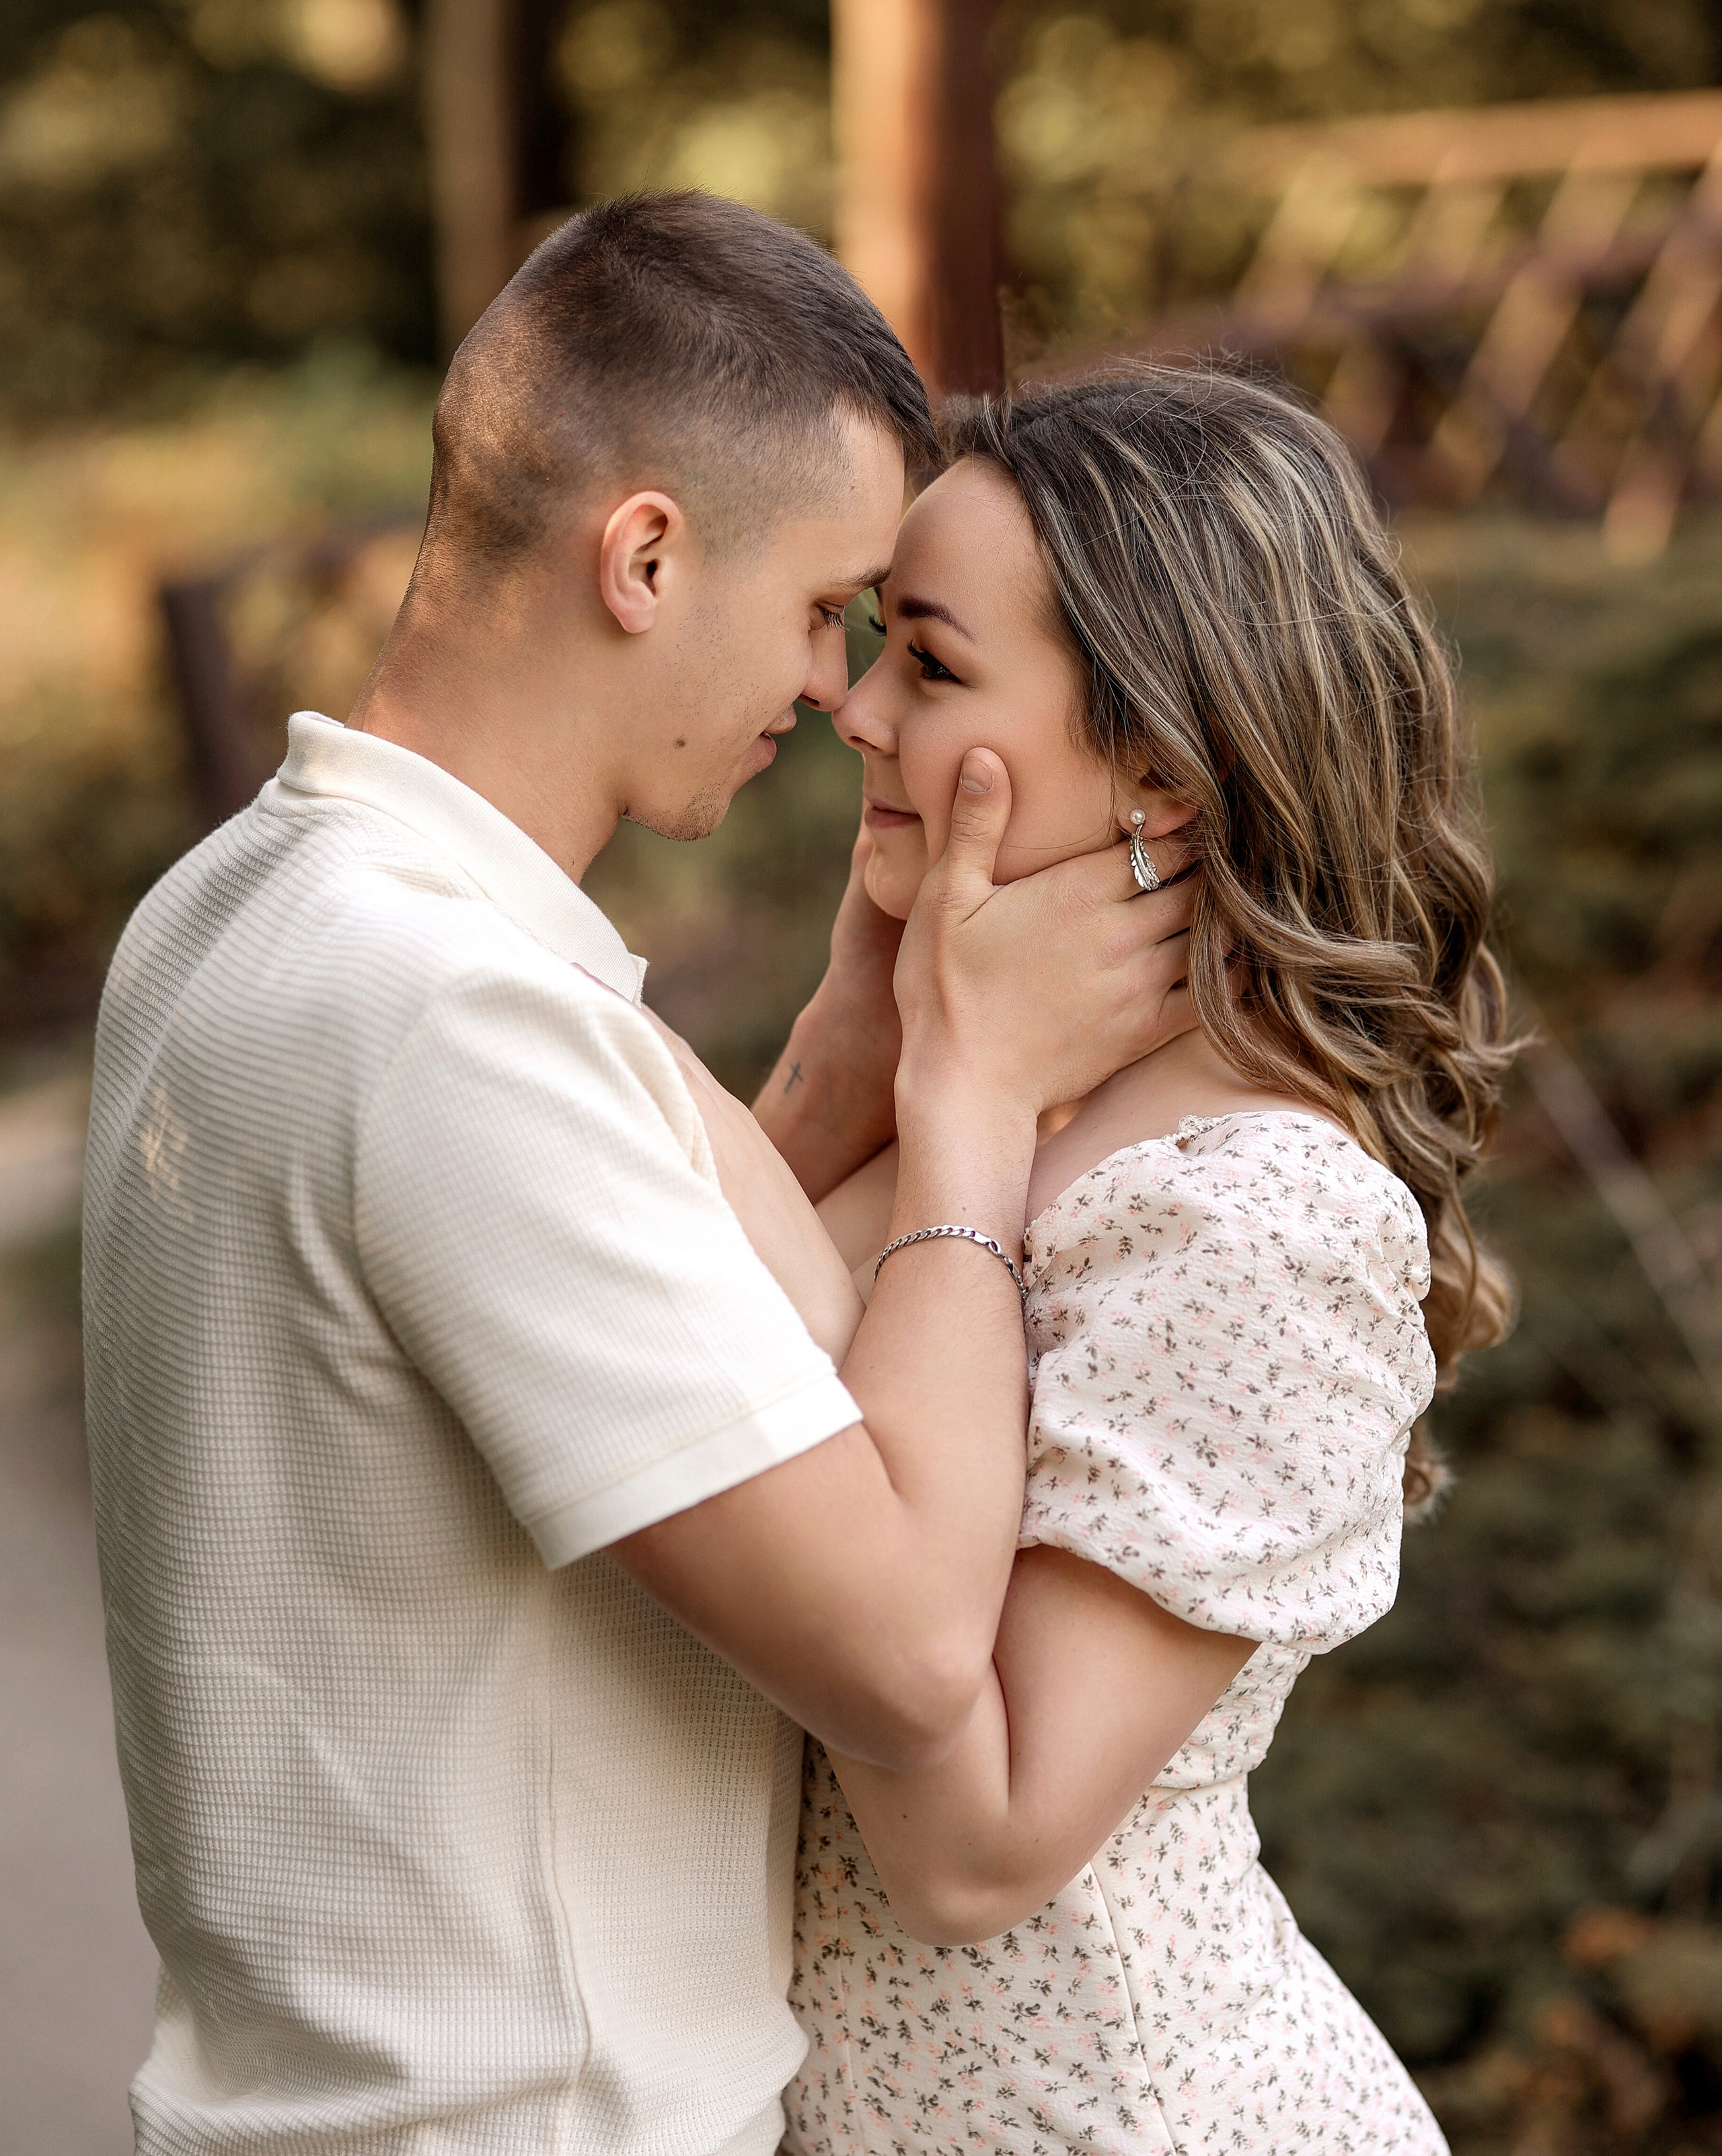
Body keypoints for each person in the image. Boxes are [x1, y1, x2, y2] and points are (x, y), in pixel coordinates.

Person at [81, 197, 1199, 2156]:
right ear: (648, 554)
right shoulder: (450, 1019)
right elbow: (914, 1651)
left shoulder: (241, 906)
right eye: (829, 611)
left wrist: (846, 1063)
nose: (842, 698)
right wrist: (975, 1103)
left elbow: (594, 1355)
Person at [702, 365, 1513, 2155]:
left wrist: (963, 1109)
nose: (849, 706)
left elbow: (973, 1848)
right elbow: (668, 1375)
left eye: (930, 659)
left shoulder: (1264, 1217)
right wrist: (865, 1053)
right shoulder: (981, 1097)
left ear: (1161, 761)